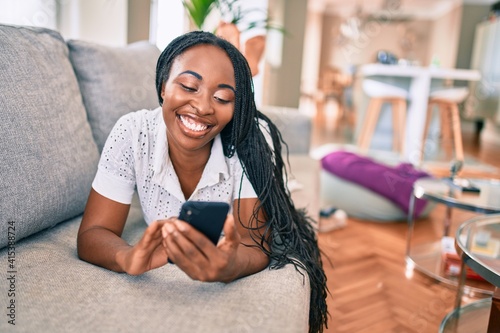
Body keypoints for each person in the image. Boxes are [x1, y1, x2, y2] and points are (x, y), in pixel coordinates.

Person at [77, 30, 328, 333]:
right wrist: (127, 258)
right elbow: (93, 232)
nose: (204, 107)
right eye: (188, 86)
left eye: (222, 97)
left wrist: (230, 267)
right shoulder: (133, 132)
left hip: (258, 178)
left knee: (286, 194)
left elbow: (254, 243)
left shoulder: (246, 144)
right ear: (163, 87)